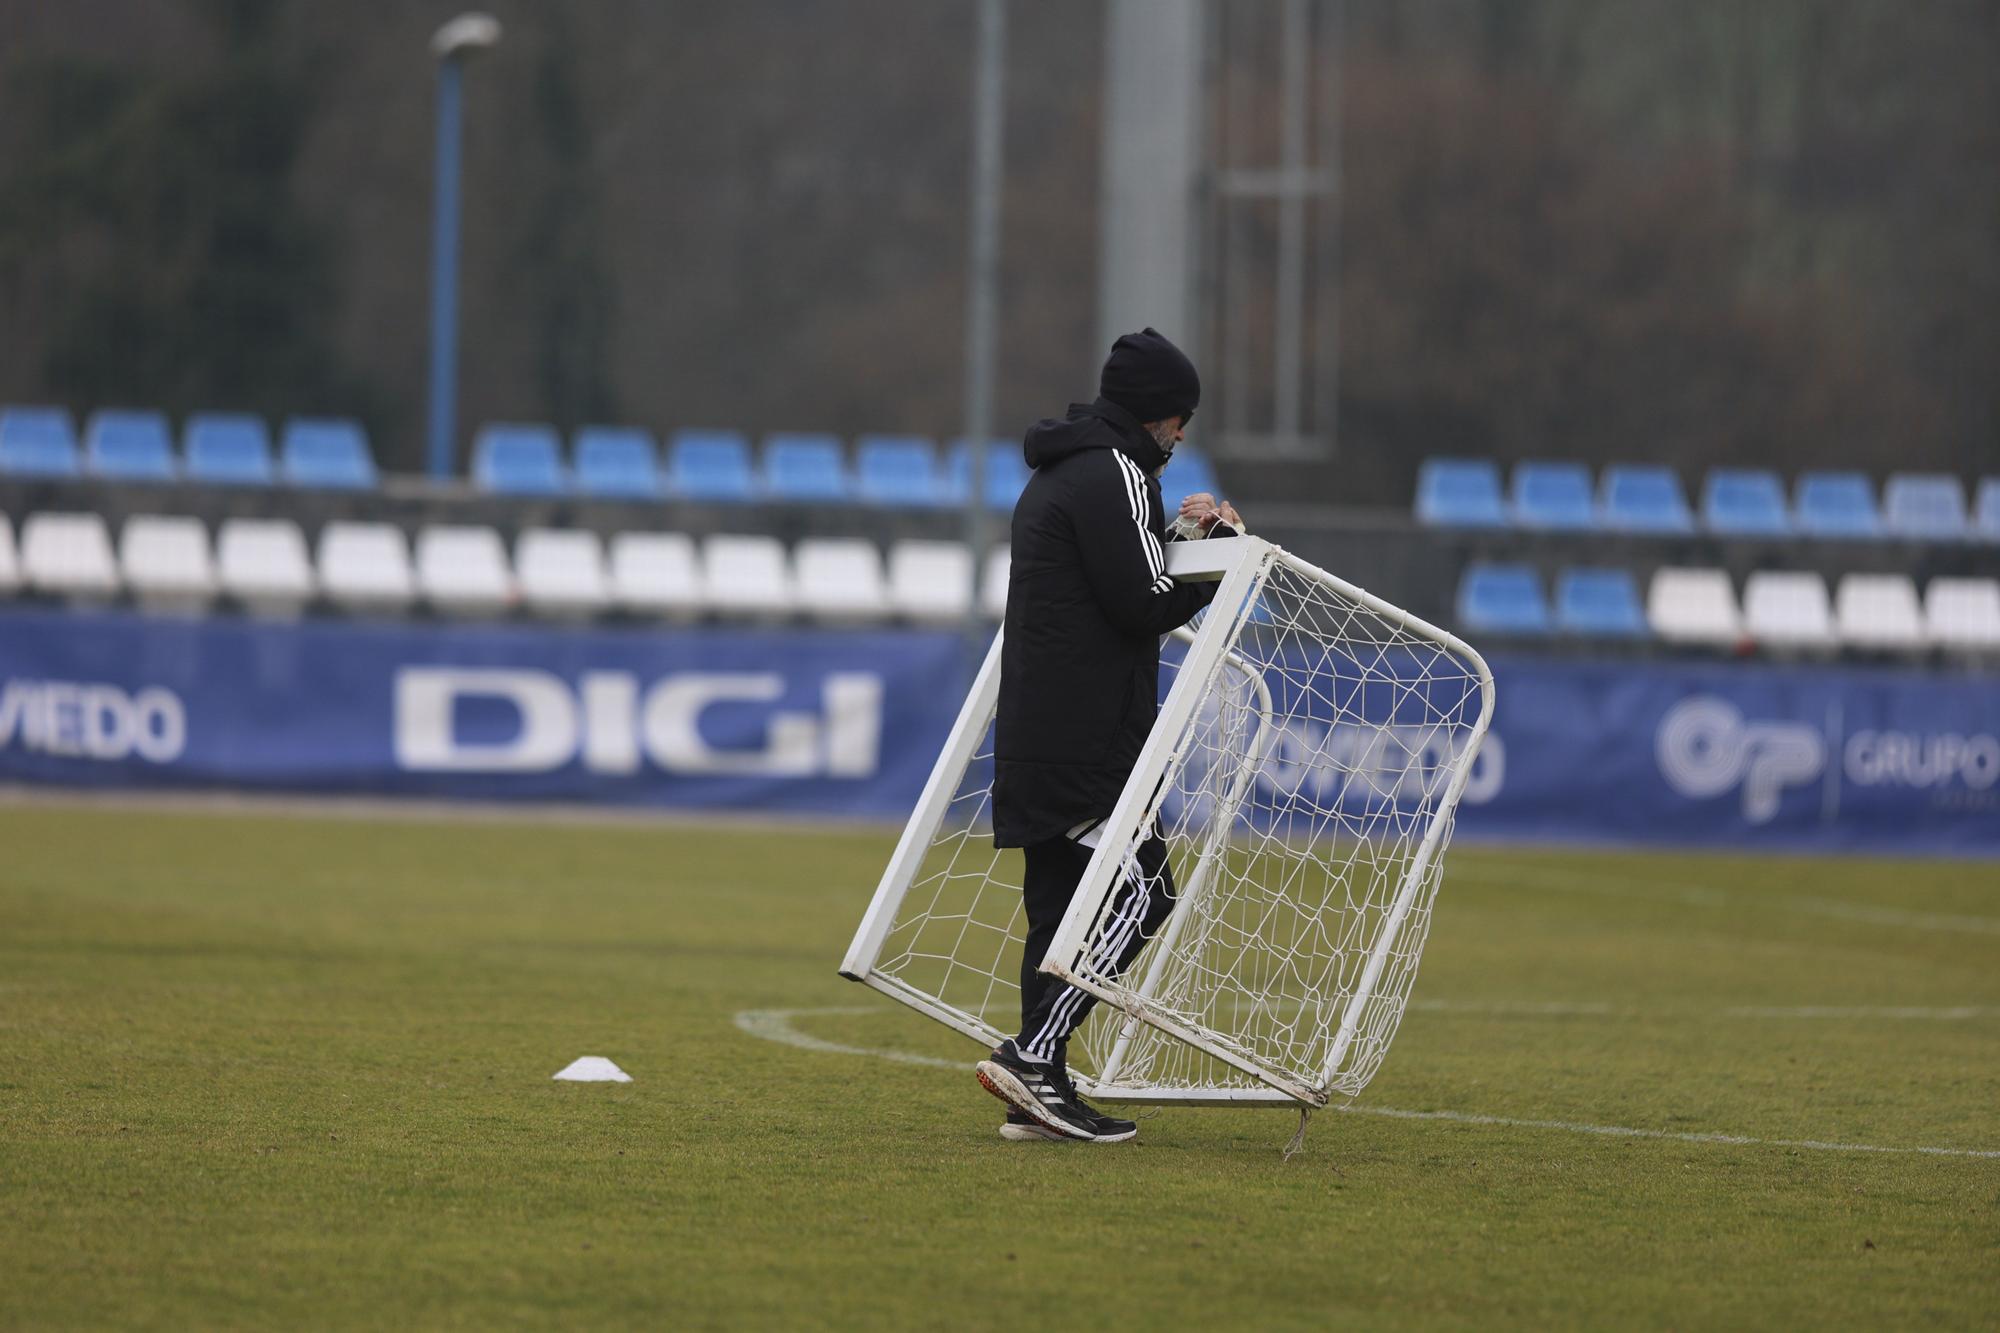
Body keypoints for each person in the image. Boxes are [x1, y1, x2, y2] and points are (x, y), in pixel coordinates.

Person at [975, 328, 1242, 1144]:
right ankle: (1033, 1057)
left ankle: (1041, 1089)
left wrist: (1186, 543)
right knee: (1142, 892)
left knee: (1058, 912)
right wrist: (1222, 552)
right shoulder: (1118, 473)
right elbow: (1143, 600)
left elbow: (1119, 582)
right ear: (1155, 414)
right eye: (1179, 417)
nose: (1182, 435)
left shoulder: (1062, 470)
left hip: (1038, 727)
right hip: (1089, 738)